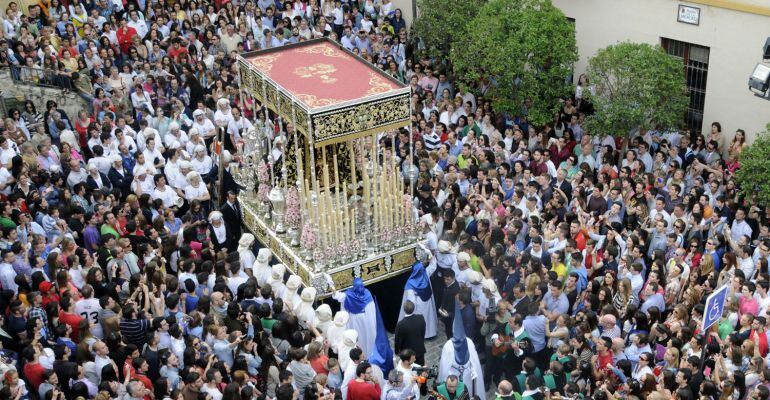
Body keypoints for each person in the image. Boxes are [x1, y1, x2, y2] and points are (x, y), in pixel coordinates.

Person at [438, 300, 486, 398]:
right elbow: (445, 365)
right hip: (456, 375)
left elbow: (444, 364)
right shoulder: (465, 342)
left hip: (464, 374)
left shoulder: (450, 344)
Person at [397, 257, 437, 340]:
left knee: (420, 320)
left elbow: (410, 300)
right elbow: (433, 266)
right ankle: (430, 333)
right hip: (427, 302)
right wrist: (430, 255)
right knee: (428, 317)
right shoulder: (426, 273)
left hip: (418, 305)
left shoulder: (410, 283)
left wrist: (411, 311)